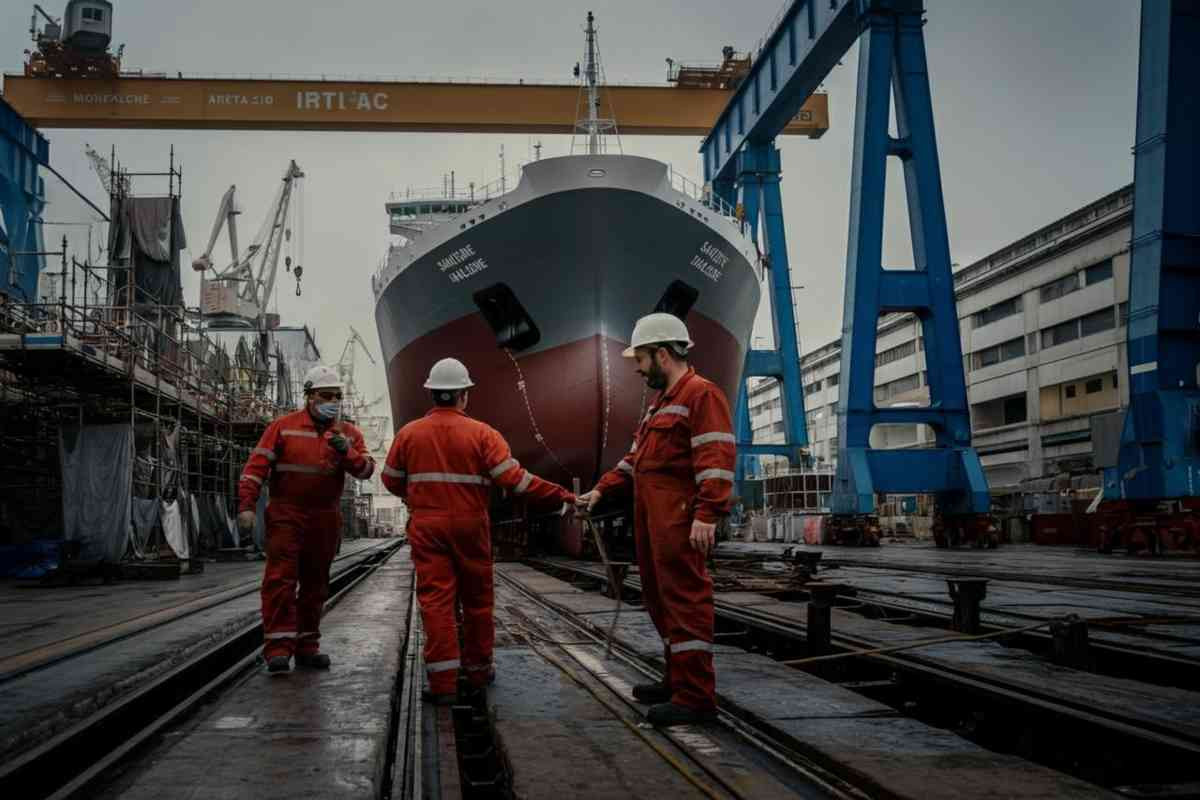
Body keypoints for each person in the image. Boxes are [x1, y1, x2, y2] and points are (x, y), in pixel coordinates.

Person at [382, 357, 575, 704]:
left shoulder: (408, 434)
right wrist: (562, 495)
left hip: (428, 526)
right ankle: (478, 670)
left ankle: (442, 683)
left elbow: (390, 480)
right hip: (471, 525)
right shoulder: (484, 434)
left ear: (432, 394)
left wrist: (422, 496)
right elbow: (516, 481)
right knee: (477, 601)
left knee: (436, 601)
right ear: (463, 396)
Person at [577, 313, 735, 727]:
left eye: (642, 358)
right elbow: (635, 461)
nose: (637, 367)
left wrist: (708, 514)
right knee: (659, 599)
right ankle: (677, 681)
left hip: (680, 520)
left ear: (663, 354)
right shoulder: (659, 405)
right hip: (654, 519)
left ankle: (696, 697)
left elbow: (716, 459)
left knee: (685, 600)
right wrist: (602, 489)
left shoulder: (702, 395)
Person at [237, 364, 375, 673]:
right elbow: (255, 467)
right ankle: (278, 649)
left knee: (316, 584)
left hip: (325, 517)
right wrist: (247, 505)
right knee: (280, 581)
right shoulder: (282, 427)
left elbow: (366, 470)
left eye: (337, 396)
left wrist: (347, 453)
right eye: (327, 396)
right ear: (309, 396)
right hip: (287, 514)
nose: (333, 402)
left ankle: (307, 646)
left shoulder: (348, 433)